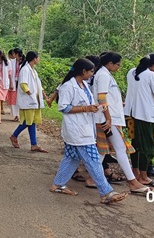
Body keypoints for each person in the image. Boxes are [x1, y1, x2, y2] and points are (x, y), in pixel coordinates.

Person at [49, 58, 128, 204]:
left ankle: (58, 184)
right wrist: (85, 108)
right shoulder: (68, 86)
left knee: (71, 158)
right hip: (77, 131)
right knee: (93, 161)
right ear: (83, 71)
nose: (92, 74)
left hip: (82, 129)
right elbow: (63, 107)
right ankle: (106, 192)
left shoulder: (84, 85)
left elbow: (87, 103)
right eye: (91, 71)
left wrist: (97, 107)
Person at [90, 52, 152, 194]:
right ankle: (133, 182)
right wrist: (108, 117)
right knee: (120, 149)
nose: (119, 67)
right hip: (108, 119)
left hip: (107, 117)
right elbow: (101, 97)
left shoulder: (103, 74)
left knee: (103, 150)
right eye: (118, 64)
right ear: (110, 64)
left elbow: (106, 97)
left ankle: (93, 178)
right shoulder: (104, 75)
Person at [125, 53, 154, 187]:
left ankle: (135, 173)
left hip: (130, 113)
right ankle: (143, 176)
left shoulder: (131, 72)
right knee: (146, 146)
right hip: (145, 115)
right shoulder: (151, 75)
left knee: (135, 143)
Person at [9, 51, 47, 152]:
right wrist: (31, 95)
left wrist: (45, 97)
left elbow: (39, 86)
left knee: (32, 121)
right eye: (37, 58)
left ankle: (34, 144)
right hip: (29, 100)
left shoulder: (33, 70)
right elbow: (23, 84)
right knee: (28, 121)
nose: (38, 60)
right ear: (34, 59)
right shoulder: (25, 70)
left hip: (34, 100)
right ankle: (14, 135)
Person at [7, 48, 23, 122]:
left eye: (14, 53)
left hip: (21, 82)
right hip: (13, 81)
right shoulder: (12, 62)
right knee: (14, 99)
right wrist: (10, 83)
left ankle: (20, 115)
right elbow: (9, 73)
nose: (13, 55)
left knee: (20, 99)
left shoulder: (24, 62)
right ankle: (16, 115)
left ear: (16, 54)